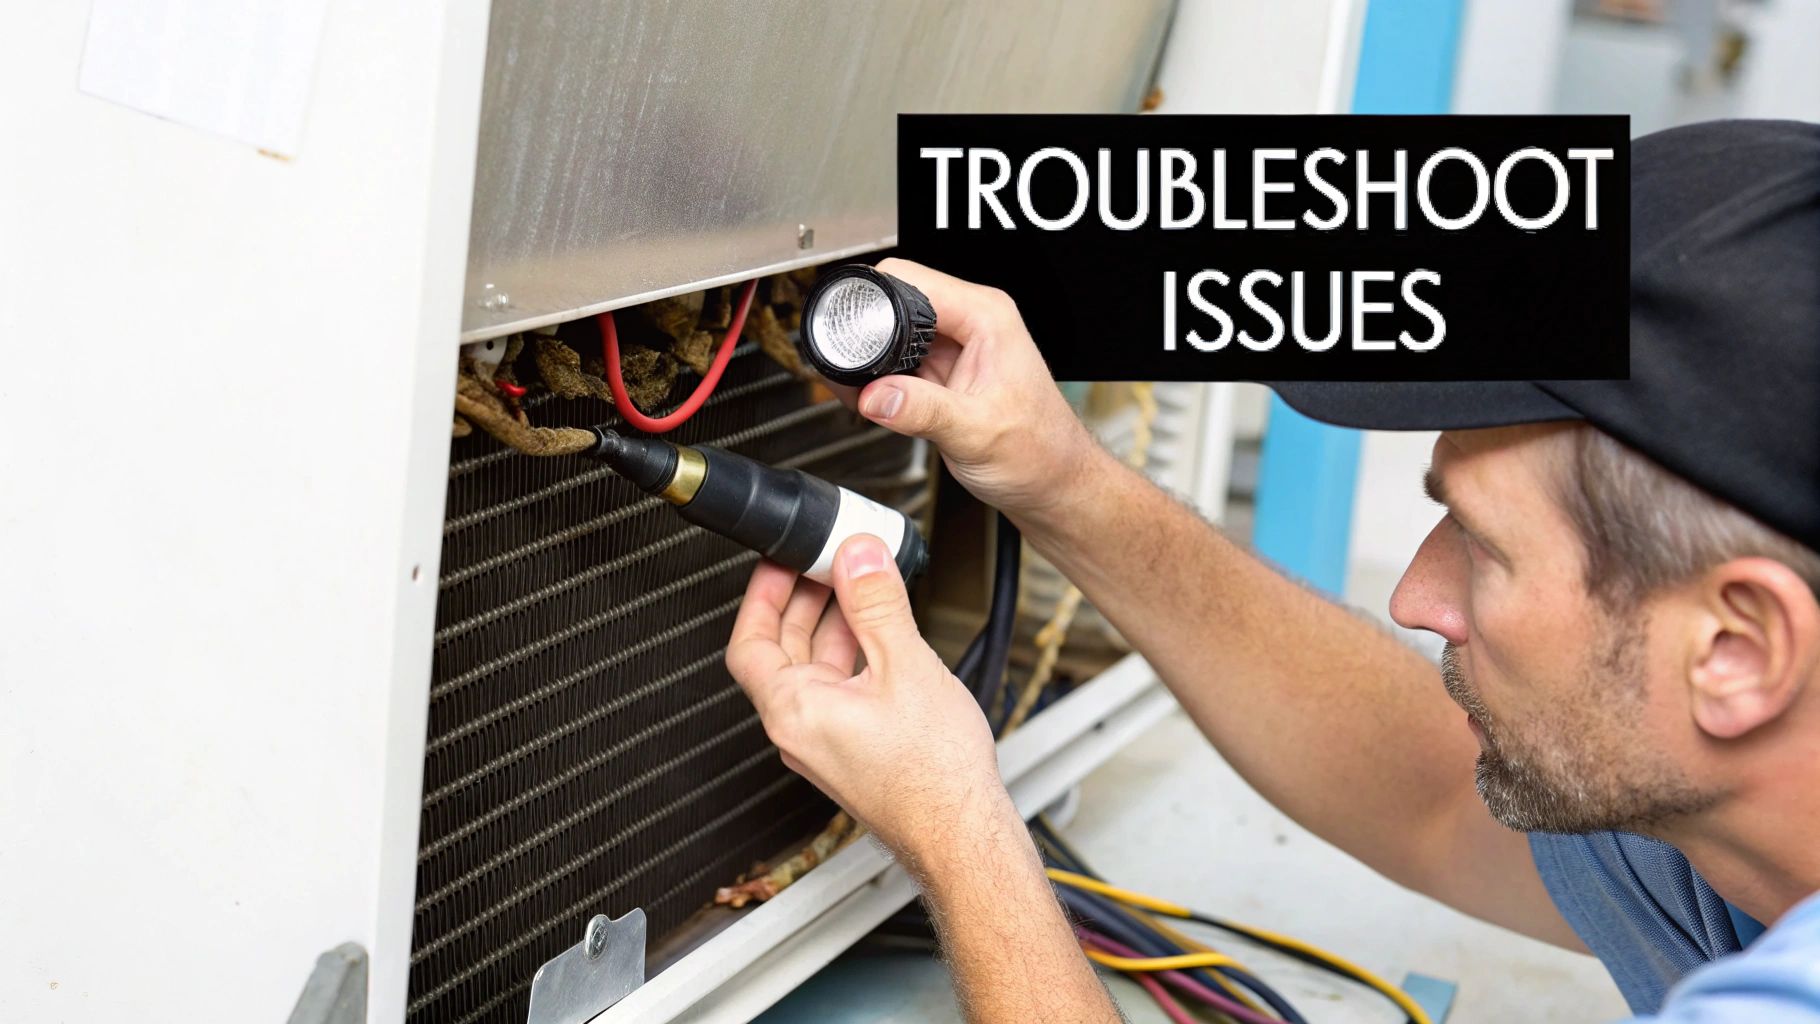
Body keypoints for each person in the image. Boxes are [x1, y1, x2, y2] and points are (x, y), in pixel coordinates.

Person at [724, 118, 1820, 1022]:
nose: (1412, 598)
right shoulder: (1727, 827)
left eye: (1482, 547)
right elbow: (1429, 791)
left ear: (1735, 648)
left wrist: (958, 828)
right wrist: (1056, 476)